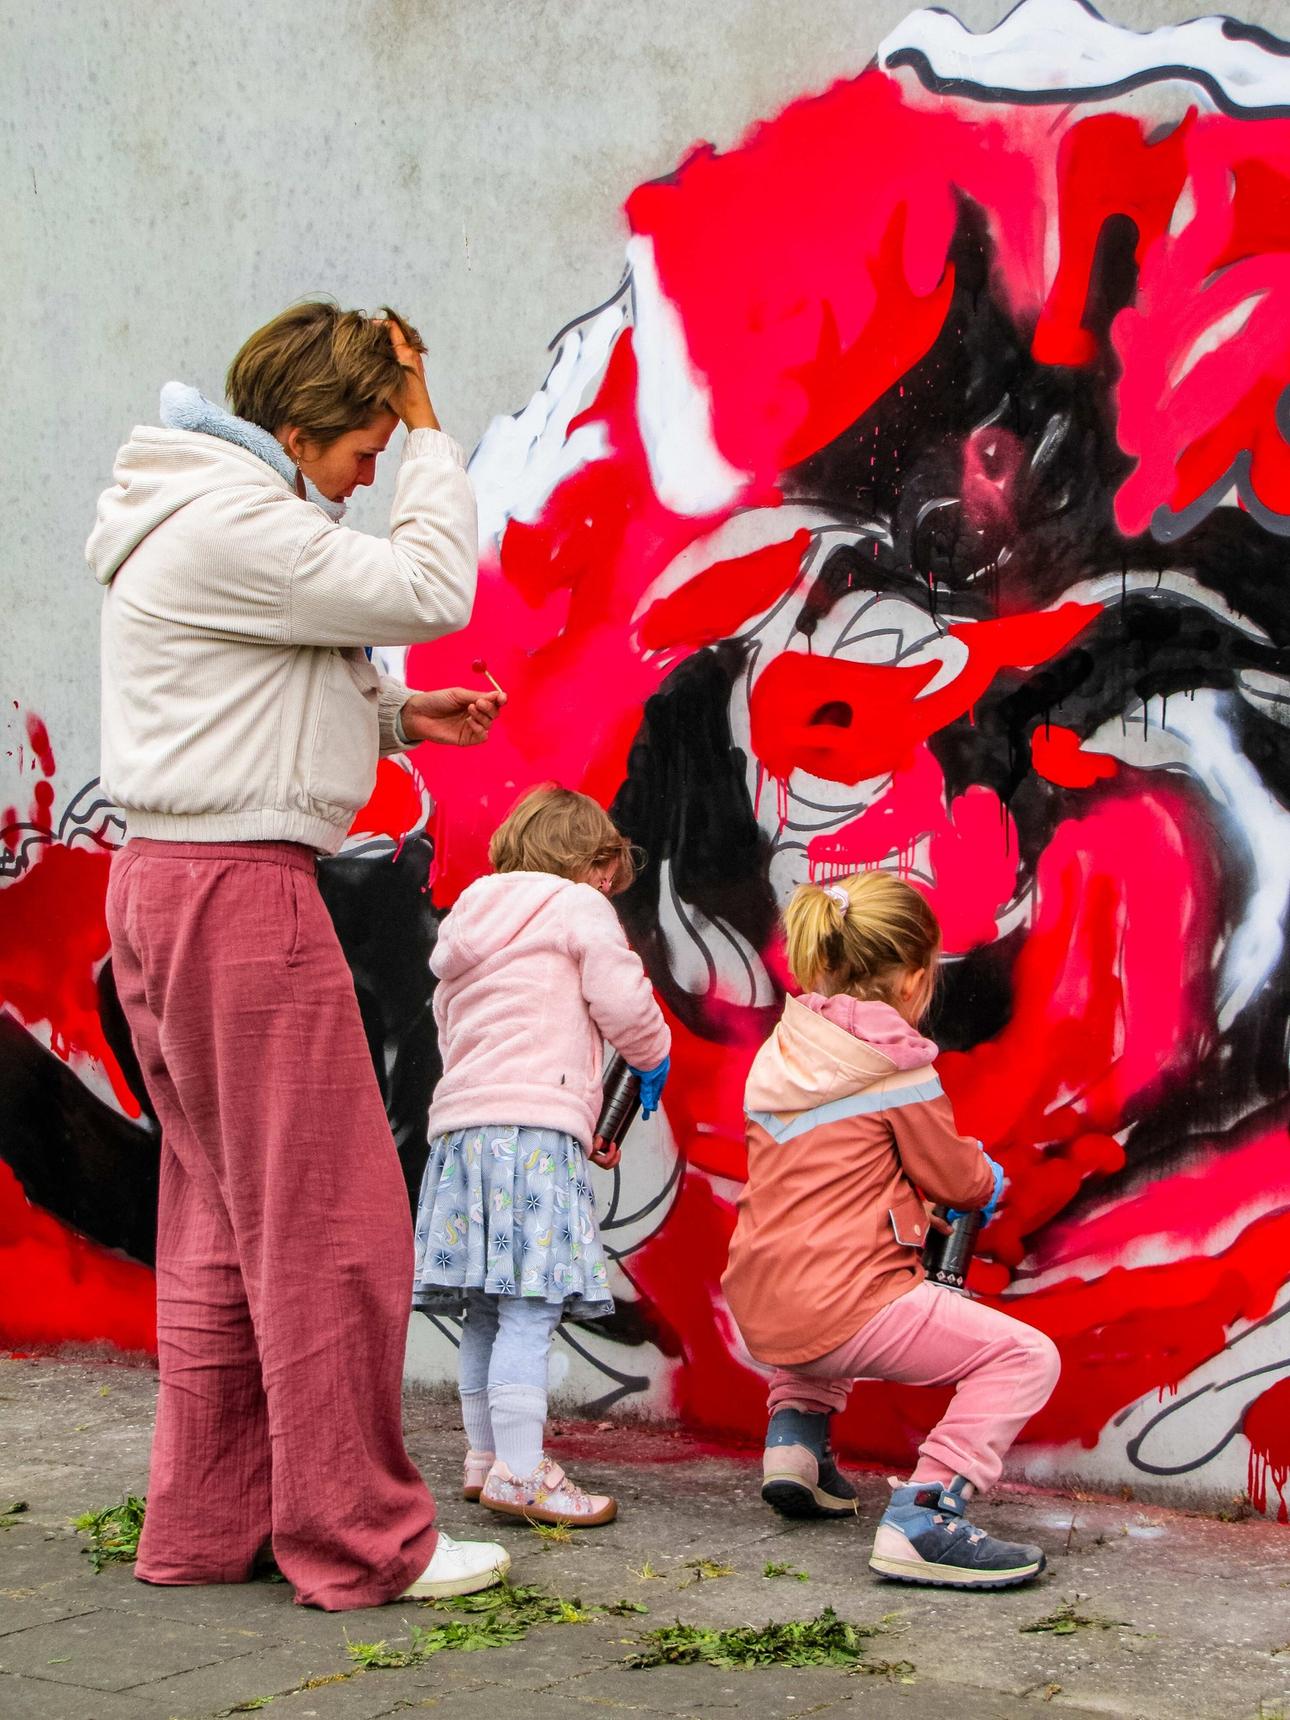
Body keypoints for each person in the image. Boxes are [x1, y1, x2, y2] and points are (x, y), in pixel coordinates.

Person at [87, 300, 512, 1610]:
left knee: (225, 1225)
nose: (373, 472)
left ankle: (209, 1527)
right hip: (239, 896)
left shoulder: (197, 509)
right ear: (306, 423)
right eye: (368, 446)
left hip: (171, 884)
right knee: (335, 1223)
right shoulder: (239, 518)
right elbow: (431, 587)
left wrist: (397, 717)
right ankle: (362, 1537)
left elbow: (243, 683)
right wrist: (433, 427)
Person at [722, 872, 1061, 1589]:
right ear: (912, 978)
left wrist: (900, 1205)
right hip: (842, 1304)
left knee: (817, 1296)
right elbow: (955, 1179)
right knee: (1025, 1357)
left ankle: (795, 1447)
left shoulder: (784, 1052)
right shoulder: (893, 1066)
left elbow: (825, 1183)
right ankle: (925, 1516)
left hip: (759, 1297)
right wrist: (988, 1179)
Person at [412, 786, 671, 1526]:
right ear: (590, 864)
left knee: (484, 1307)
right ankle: (523, 1474)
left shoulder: (469, 915)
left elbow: (447, 1019)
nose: (609, 888)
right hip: (533, 1139)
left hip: (461, 1134)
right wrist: (652, 1053)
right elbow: (621, 998)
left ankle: (485, 1459)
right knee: (531, 1305)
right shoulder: (577, 906)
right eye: (608, 874)